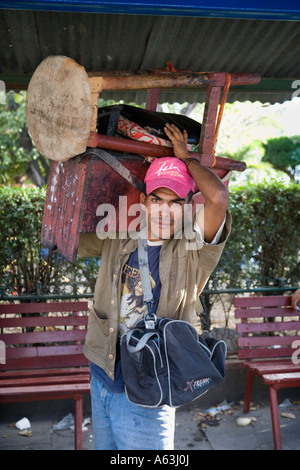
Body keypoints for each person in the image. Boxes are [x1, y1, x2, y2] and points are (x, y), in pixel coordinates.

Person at [78, 123, 232, 450]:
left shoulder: (193, 250)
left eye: (175, 202)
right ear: (146, 202)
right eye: (158, 200)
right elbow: (68, 236)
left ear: (188, 206)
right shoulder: (118, 235)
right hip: (102, 374)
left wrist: (187, 158)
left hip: (149, 388)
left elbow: (218, 196)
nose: (165, 210)